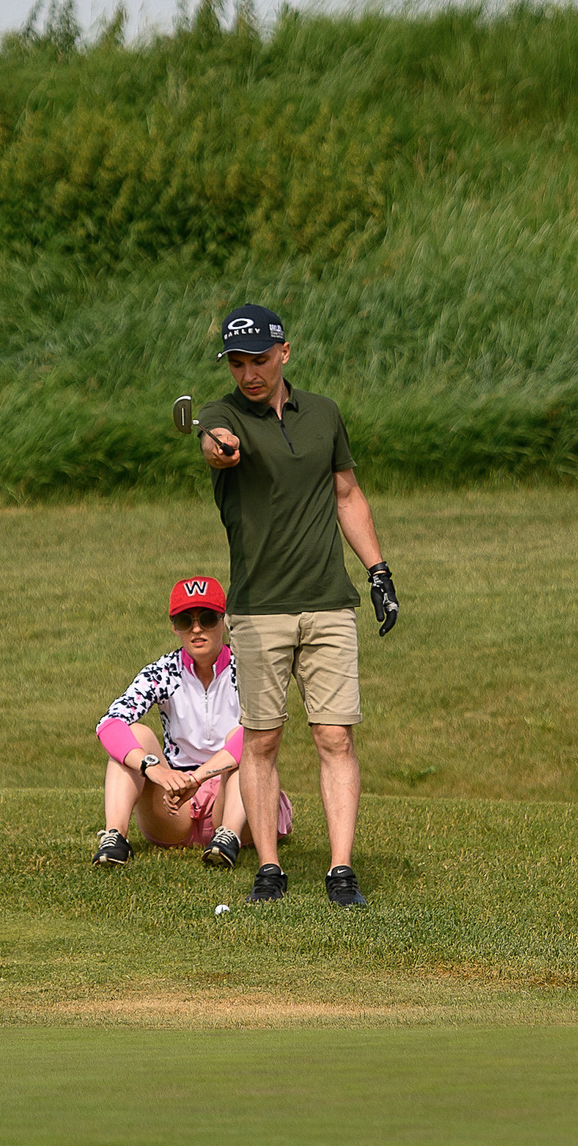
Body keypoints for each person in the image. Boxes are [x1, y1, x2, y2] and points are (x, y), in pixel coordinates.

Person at [196, 303, 399, 907]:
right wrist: (220, 447)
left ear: (284, 353)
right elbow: (214, 445)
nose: (248, 373)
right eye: (237, 362)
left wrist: (378, 570)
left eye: (258, 359)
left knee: (335, 736)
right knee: (261, 739)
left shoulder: (325, 416)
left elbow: (346, 492)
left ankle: (340, 871)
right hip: (260, 608)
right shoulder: (222, 415)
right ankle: (268, 868)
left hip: (329, 602)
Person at [92, 575, 293, 869]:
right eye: (186, 621)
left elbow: (260, 734)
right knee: (135, 735)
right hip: (175, 805)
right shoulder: (163, 671)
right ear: (175, 627)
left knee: (245, 736)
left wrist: (197, 778)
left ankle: (227, 837)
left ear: (223, 621)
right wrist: (156, 771)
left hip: (235, 797)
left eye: (207, 618)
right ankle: (114, 838)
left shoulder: (248, 668)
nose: (197, 629)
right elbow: (109, 724)